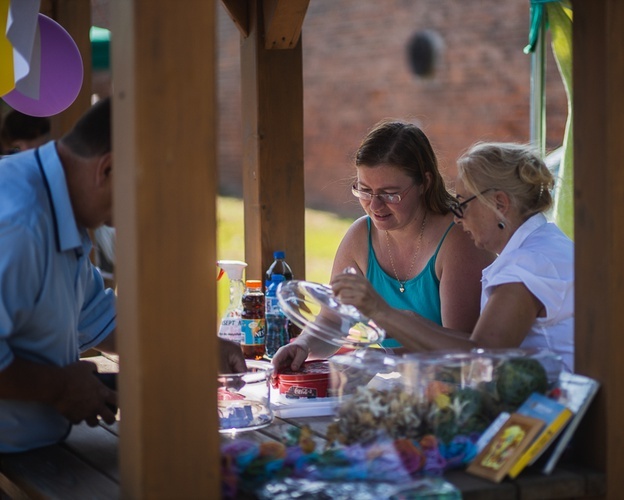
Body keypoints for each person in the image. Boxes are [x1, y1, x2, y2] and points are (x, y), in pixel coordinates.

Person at [0, 98, 244, 453]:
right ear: (108, 168)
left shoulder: (61, 203)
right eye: (143, 196)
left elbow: (100, 319)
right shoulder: (18, 221)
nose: (133, 217)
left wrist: (192, 349)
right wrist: (58, 386)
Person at [330, 142, 575, 372]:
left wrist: (382, 312)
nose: (457, 218)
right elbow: (476, 342)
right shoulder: (543, 243)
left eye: (463, 204)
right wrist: (395, 340)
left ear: (499, 203)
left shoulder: (527, 264)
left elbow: (481, 357)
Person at [272, 120, 495, 371]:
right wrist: (302, 345)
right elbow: (335, 320)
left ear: (426, 182)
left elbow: (459, 351)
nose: (375, 206)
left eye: (390, 194)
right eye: (365, 191)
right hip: (393, 386)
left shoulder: (459, 239)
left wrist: (380, 359)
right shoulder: (360, 235)